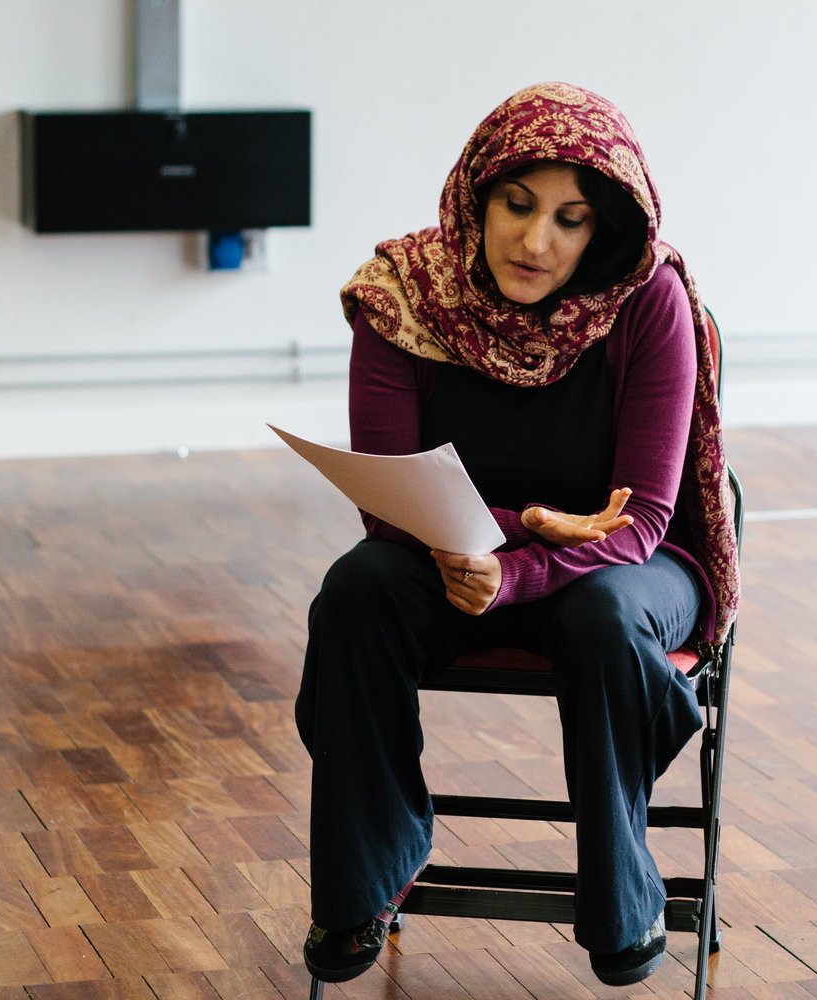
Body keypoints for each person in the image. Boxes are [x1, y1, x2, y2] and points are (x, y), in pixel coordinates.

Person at [294, 81, 740, 987]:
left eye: (570, 220)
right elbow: (392, 498)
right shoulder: (401, 295)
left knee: (604, 620)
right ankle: (362, 885)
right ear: (476, 193)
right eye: (517, 204)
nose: (537, 242)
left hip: (631, 564)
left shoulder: (647, 299)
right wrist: (507, 540)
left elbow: (647, 514)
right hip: (444, 549)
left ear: (603, 231)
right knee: (357, 592)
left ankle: (626, 896)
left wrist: (523, 571)